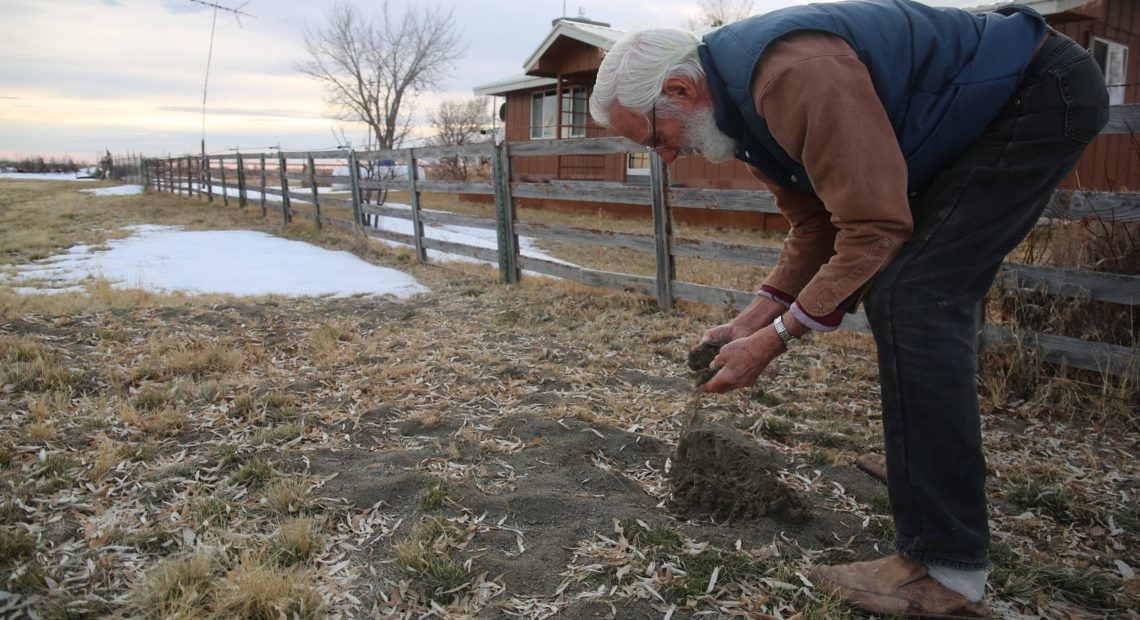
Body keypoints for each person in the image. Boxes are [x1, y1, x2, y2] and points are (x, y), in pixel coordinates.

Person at [588, 0, 1108, 617]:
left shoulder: (791, 77)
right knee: (924, 290)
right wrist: (750, 318)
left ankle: (943, 570)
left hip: (1036, 93)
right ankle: (926, 461)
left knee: (914, 295)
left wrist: (776, 338)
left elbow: (873, 228)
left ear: (680, 87)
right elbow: (815, 225)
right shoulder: (739, 113)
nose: (667, 156)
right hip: (978, 116)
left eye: (656, 138)